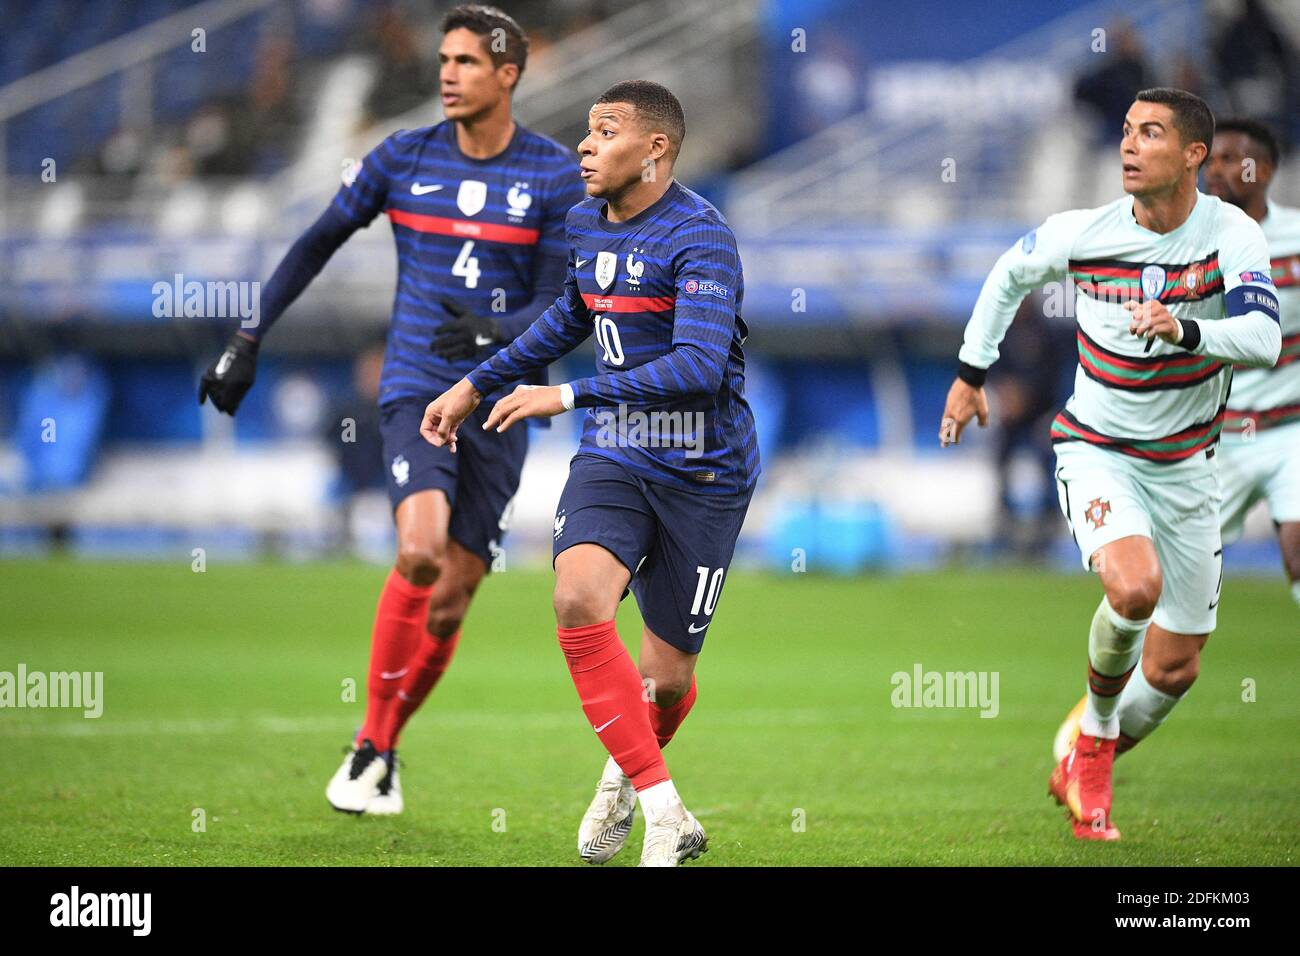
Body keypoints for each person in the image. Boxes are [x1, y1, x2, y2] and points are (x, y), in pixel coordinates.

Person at [197, 5, 586, 815]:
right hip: (415, 385)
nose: (447, 73)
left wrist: (501, 327)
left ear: (507, 74)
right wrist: (249, 336)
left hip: (504, 404)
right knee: (418, 551)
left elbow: (565, 300)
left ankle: (387, 749)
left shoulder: (553, 174)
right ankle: (369, 743)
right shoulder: (403, 157)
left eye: (467, 62)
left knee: (451, 597)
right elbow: (313, 242)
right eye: (443, 59)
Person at [420, 80, 760, 866]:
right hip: (615, 449)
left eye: (604, 131)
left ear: (655, 150)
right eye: (585, 131)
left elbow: (700, 367)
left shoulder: (701, 236)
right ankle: (667, 812)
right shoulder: (584, 223)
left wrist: (566, 392)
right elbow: (572, 314)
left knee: (667, 682)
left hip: (704, 469)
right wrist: (478, 384)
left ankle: (622, 778)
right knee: (576, 599)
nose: (583, 144)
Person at [939, 88, 1280, 841]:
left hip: (1189, 466)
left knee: (1174, 670)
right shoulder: (1086, 232)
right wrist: (971, 374)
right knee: (1134, 589)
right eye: (1126, 132)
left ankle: (1082, 753)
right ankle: (1092, 746)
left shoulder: (1231, 237)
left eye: (1150, 134)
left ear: (1194, 155)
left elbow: (1261, 337)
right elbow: (1008, 276)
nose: (1129, 146)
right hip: (1099, 449)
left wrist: (1185, 328)